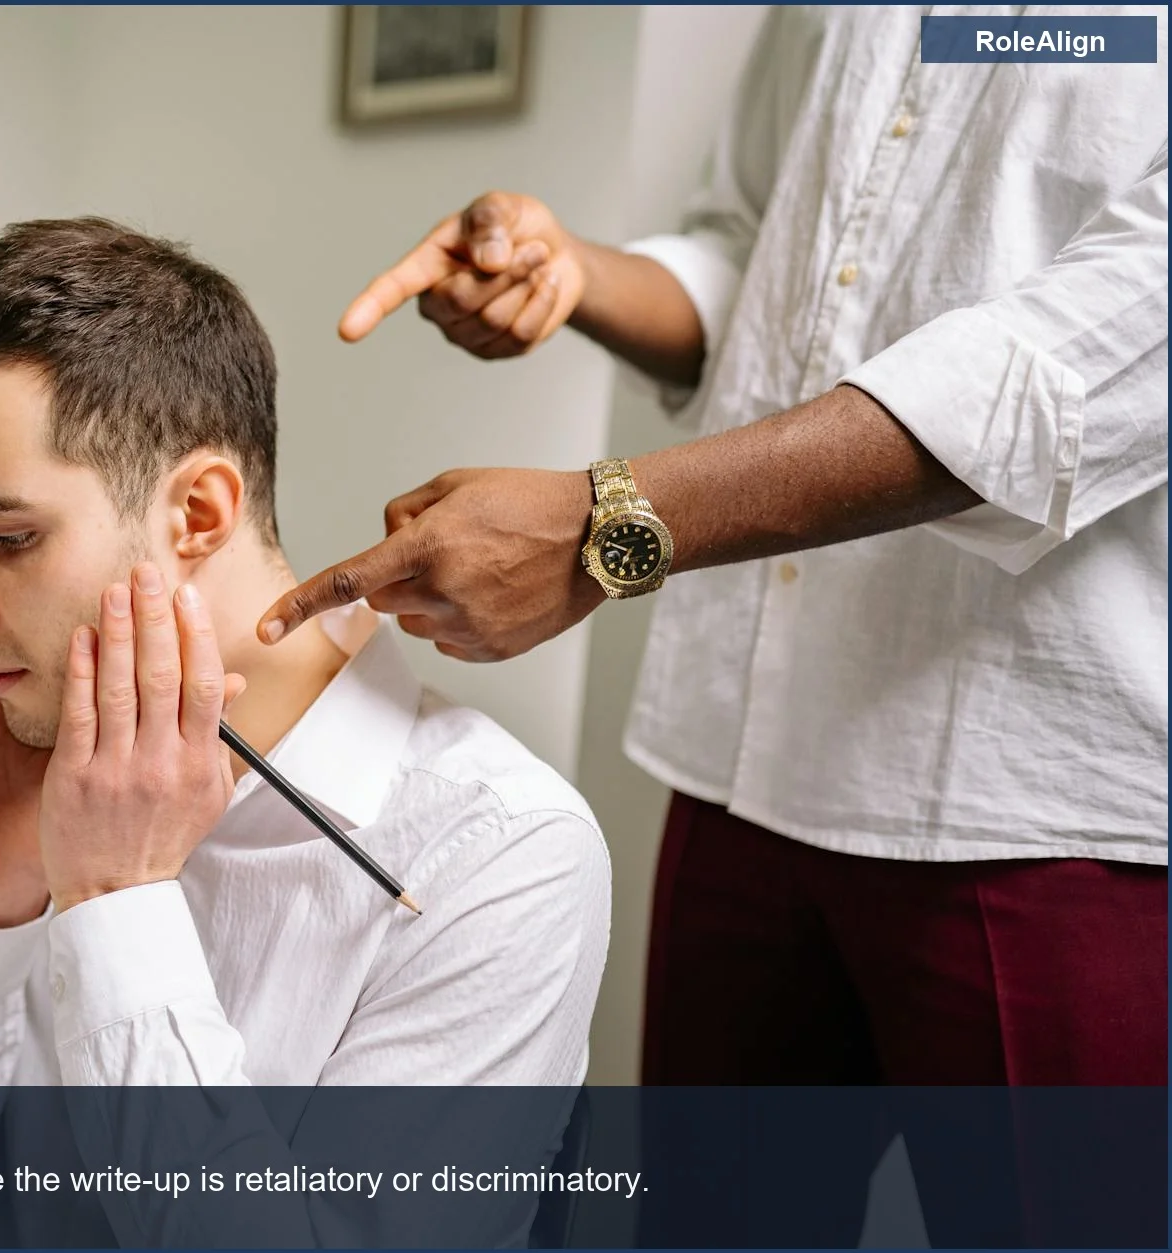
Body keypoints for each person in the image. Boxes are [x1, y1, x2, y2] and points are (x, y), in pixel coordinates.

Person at [255, 4, 1165, 1243]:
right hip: (747, 752)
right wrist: (574, 269)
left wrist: (606, 523)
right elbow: (759, 255)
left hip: (1030, 799)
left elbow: (1046, 379)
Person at [0, 218, 609, 1089]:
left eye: (11, 536)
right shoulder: (51, 777)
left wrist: (118, 902)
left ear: (200, 513)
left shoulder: (502, 854)